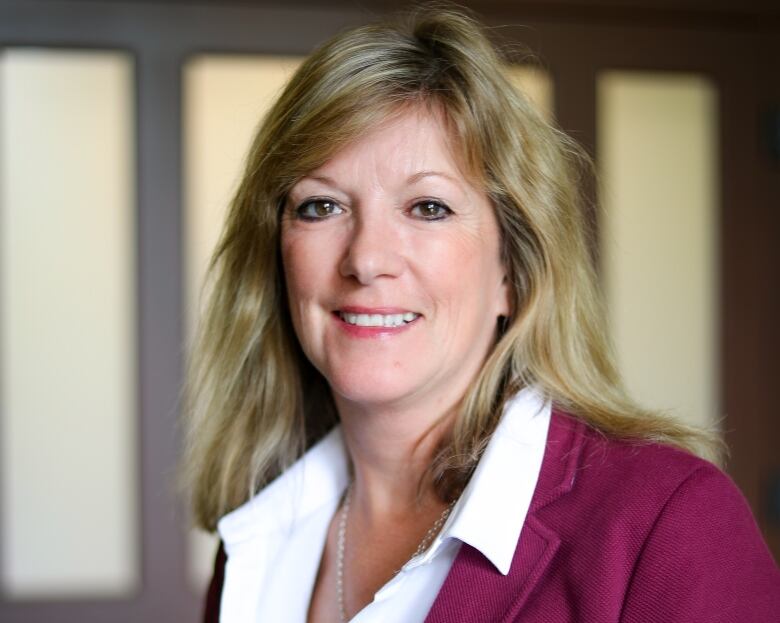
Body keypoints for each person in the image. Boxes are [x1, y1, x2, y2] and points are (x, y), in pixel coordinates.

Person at [183, 7, 780, 622]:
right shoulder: (254, 551)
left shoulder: (667, 527)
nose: (366, 259)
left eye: (429, 207)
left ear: (511, 275)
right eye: (321, 206)